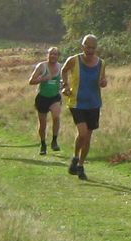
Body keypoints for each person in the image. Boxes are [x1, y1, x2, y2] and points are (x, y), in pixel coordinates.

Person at [61, 34, 107, 180]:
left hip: (94, 103)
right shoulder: (73, 60)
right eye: (87, 47)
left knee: (87, 137)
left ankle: (80, 165)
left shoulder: (101, 63)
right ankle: (75, 157)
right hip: (77, 103)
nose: (90, 50)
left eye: (93, 47)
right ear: (82, 46)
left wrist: (103, 82)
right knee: (82, 133)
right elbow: (63, 70)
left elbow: (102, 80)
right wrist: (65, 85)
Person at [29, 47, 63, 155]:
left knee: (56, 117)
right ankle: (43, 144)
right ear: (47, 55)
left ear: (58, 56)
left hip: (55, 97)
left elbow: (64, 81)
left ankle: (54, 141)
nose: (53, 56)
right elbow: (31, 81)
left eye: (55, 54)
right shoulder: (41, 66)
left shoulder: (60, 67)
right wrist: (43, 79)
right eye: (51, 54)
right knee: (42, 124)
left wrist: (65, 86)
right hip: (42, 97)